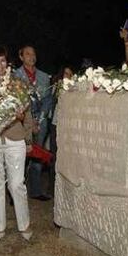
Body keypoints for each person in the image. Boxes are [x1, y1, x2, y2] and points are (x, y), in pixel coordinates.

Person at [0, 43, 33, 241]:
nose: (0, 65)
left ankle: (24, 224)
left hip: (15, 137)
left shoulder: (16, 82)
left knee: (17, 184)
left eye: (2, 60)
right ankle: (0, 226)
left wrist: (28, 137)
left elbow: (28, 114)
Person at [14, 45, 52, 201]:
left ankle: (36, 191)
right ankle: (16, 191)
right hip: (21, 121)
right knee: (20, 156)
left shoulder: (44, 76)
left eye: (33, 53)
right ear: (21, 57)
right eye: (28, 54)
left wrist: (40, 119)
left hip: (40, 121)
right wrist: (28, 121)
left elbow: (48, 99)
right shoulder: (15, 76)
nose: (31, 56)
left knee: (38, 155)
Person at [48, 65, 74, 195]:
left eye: (70, 74)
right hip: (56, 125)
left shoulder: (74, 89)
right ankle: (52, 187)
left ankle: (64, 189)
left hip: (68, 128)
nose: (67, 77)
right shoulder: (56, 88)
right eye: (65, 74)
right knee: (55, 156)